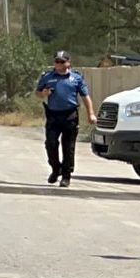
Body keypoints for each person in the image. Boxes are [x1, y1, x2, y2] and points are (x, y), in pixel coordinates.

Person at [36, 50, 95, 187]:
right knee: (51, 144)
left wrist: (91, 113)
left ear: (68, 63)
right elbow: (38, 93)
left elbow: (85, 97)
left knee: (68, 147)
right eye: (56, 61)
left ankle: (66, 176)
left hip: (70, 115)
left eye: (62, 61)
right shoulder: (48, 77)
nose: (58, 64)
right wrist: (43, 93)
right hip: (53, 116)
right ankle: (56, 169)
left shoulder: (76, 78)